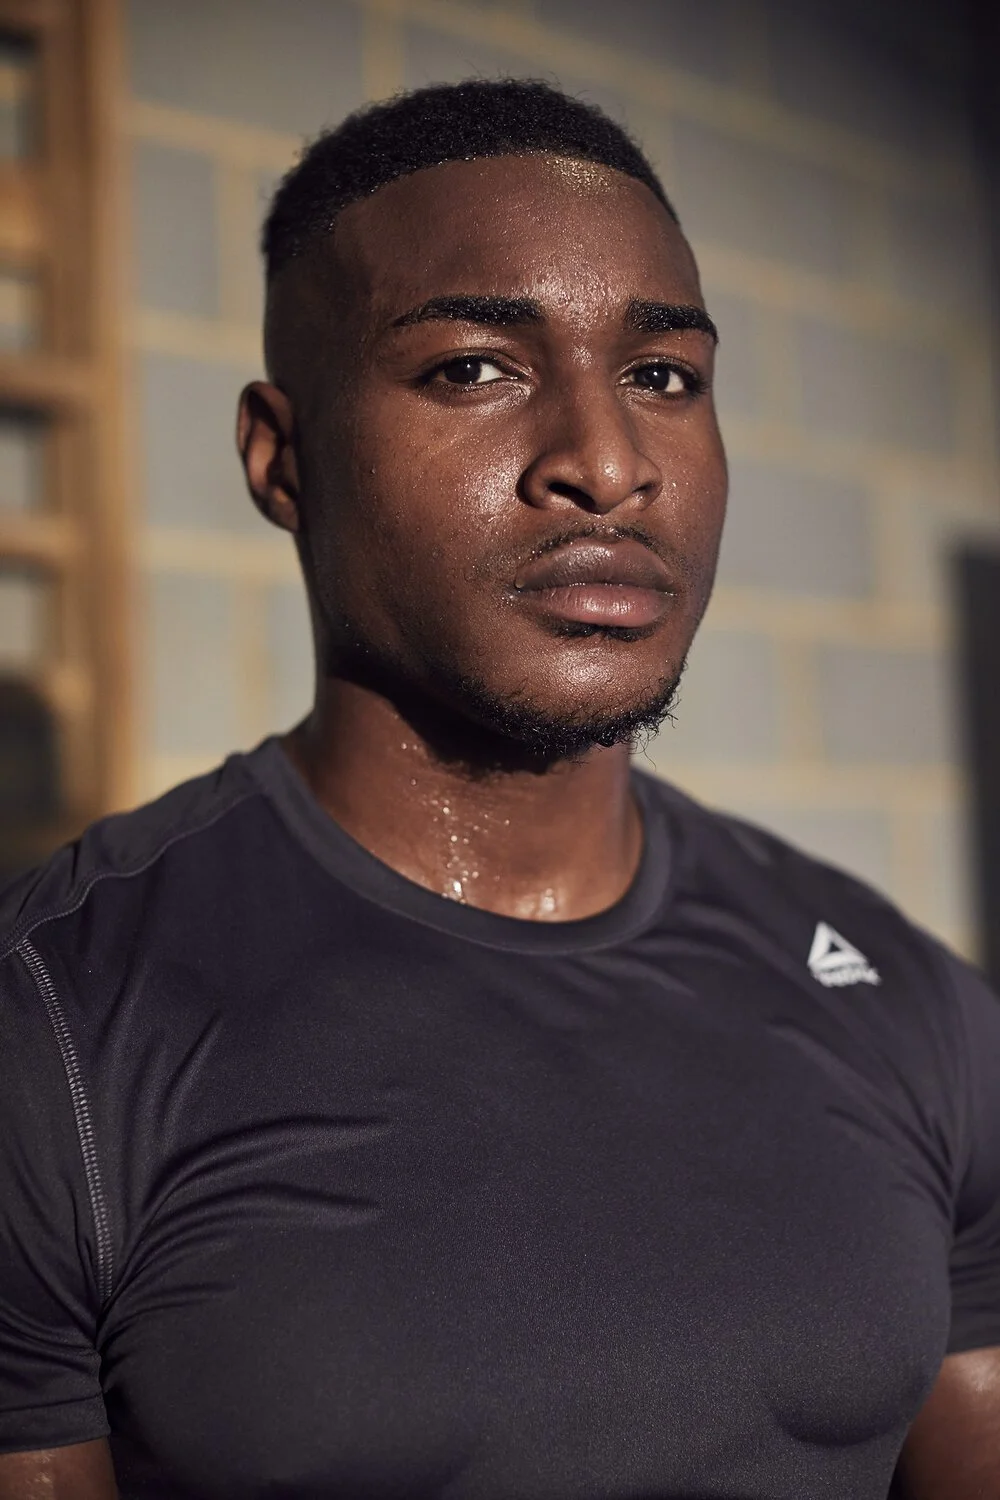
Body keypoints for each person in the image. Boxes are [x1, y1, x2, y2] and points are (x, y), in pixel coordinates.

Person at [0, 78, 997, 1500]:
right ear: (284, 461)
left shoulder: (912, 1009)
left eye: (663, 377)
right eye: (475, 367)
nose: (606, 462)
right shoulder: (60, 1034)